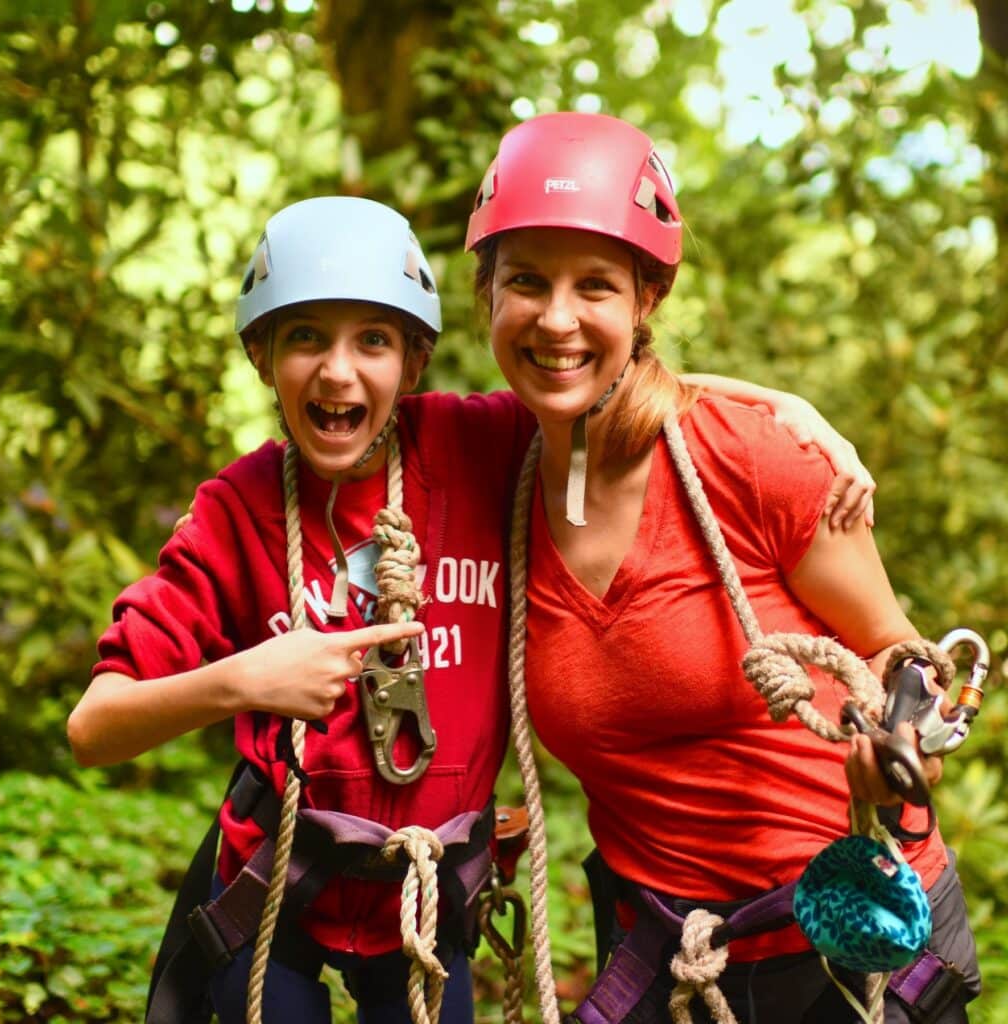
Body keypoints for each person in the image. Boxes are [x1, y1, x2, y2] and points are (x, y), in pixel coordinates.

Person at [68, 194, 874, 1024]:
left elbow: (601, 375)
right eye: (304, 336)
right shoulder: (234, 515)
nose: (338, 372)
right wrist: (241, 680)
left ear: (414, 363)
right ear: (260, 355)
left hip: (428, 909)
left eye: (372, 340)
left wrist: (785, 410)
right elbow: (96, 728)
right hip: (277, 893)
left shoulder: (481, 449)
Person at [464, 111, 980, 1024]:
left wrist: (896, 738)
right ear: (487, 297)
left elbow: (905, 655)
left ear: (646, 301)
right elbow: (353, 420)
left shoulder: (749, 457)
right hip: (667, 949)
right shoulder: (493, 468)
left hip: (851, 940)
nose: (556, 319)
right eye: (526, 283)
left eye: (595, 286)